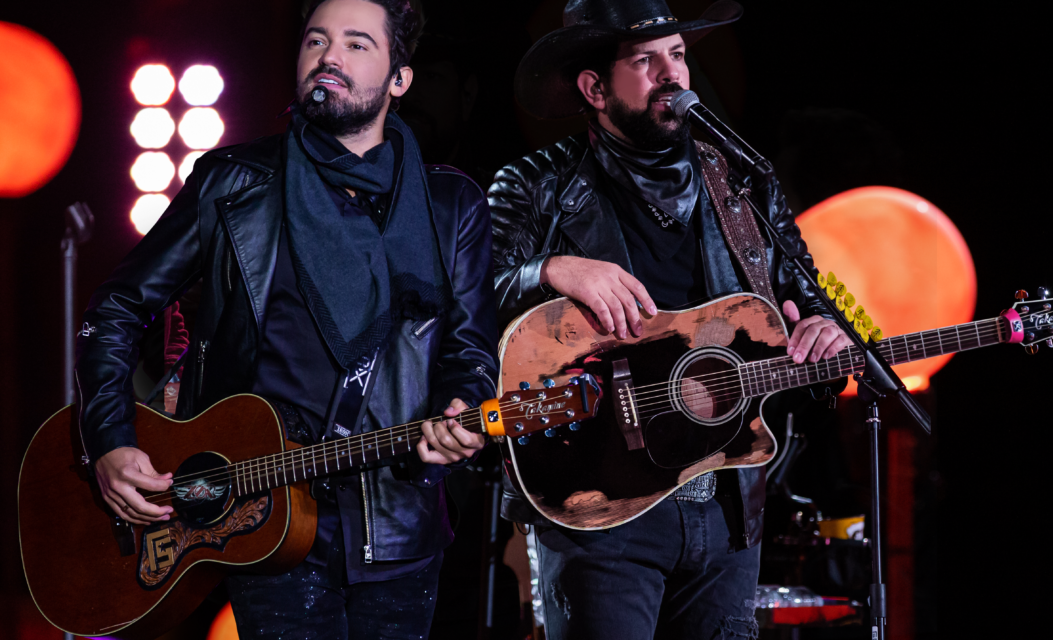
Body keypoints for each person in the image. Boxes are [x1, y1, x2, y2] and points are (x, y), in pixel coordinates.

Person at [74, 0, 498, 637]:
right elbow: (117, 306)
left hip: (398, 521)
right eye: (316, 41)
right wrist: (108, 437)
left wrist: (462, 407)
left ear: (399, 78)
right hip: (261, 514)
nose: (328, 56)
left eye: (357, 45)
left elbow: (469, 349)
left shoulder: (451, 204)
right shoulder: (232, 183)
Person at [489, 1, 850, 638]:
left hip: (729, 502)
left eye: (678, 55)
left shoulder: (741, 179)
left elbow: (805, 292)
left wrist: (825, 329)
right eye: (645, 60)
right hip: (599, 504)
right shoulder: (532, 186)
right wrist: (550, 269)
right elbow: (460, 310)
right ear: (595, 87)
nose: (671, 74)